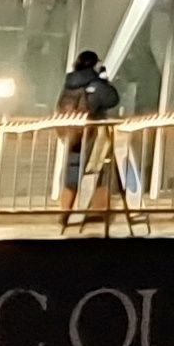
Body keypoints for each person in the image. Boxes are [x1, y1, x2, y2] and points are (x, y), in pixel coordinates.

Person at [56, 49, 128, 230]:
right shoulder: (95, 83)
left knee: (72, 172)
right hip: (94, 134)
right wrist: (104, 80)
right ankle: (98, 211)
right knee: (101, 171)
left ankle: (64, 211)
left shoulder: (69, 83)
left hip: (73, 133)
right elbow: (112, 99)